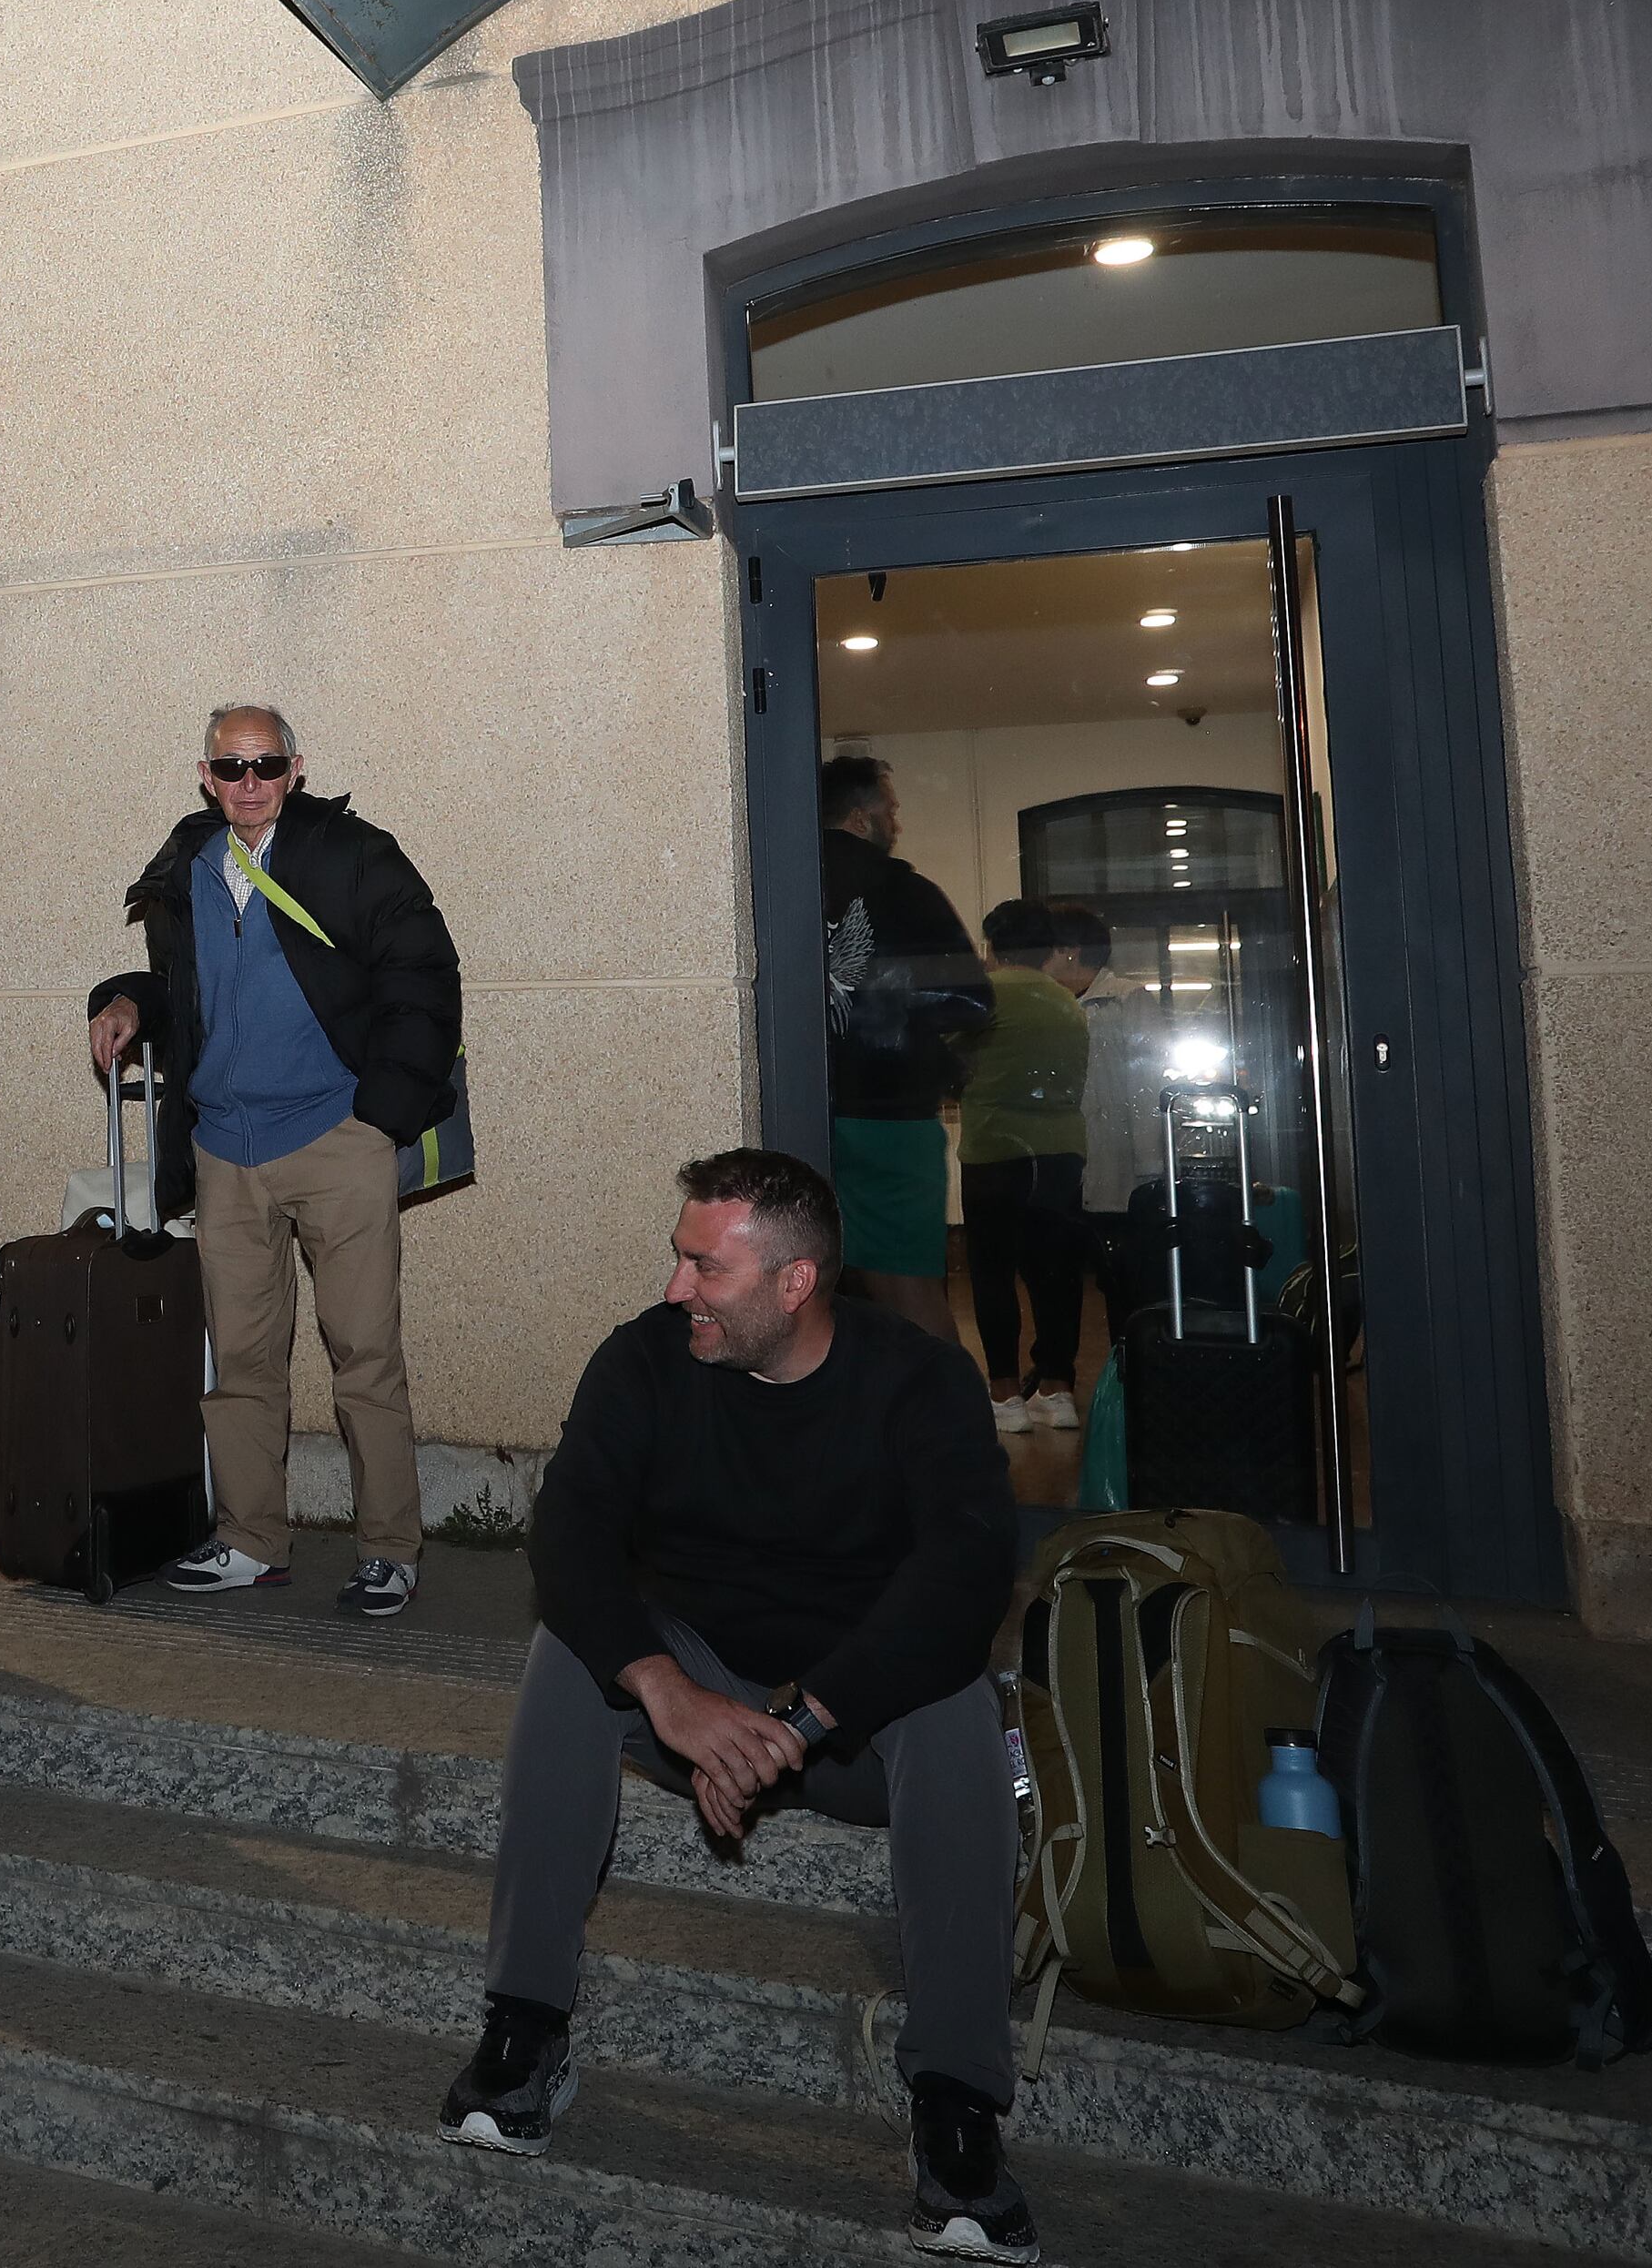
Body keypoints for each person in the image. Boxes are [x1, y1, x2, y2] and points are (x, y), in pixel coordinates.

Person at [441, 1147, 1032, 2263]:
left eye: (704, 1268)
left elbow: (963, 1575)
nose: (677, 1289)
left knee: (960, 1698)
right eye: (678, 1260)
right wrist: (669, 1692)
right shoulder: (644, 1362)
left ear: (792, 1283)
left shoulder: (916, 1380)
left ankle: (955, 2106)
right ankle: (523, 2028)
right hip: (700, 1681)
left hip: (857, 1714)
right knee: (570, 1652)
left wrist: (802, 1721)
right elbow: (564, 1536)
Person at [86, 704, 460, 1617]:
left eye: (264, 764)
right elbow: (187, 990)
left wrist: (381, 1119)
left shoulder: (353, 853)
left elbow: (424, 973)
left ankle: (388, 1550)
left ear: (295, 767)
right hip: (224, 1148)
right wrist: (125, 1000)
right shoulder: (185, 865)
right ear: (204, 775)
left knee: (362, 1353)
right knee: (242, 1361)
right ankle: (251, 1537)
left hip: (336, 1139)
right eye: (230, 766)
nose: (247, 782)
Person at [816, 754, 990, 1346]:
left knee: (806, 1296)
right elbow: (972, 1001)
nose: (900, 822)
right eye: (891, 809)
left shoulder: (776, 883)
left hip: (797, 1112)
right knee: (909, 1297)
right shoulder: (906, 892)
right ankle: (946, 1431)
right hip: (890, 1115)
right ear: (862, 818)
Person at [960, 901, 1108, 1434]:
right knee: (1056, 1273)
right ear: (1050, 949)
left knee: (992, 1272)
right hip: (1062, 1152)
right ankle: (1058, 1390)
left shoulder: (987, 995)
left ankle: (1005, 1397)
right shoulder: (1068, 1004)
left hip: (996, 1149)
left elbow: (950, 1061)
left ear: (992, 947)